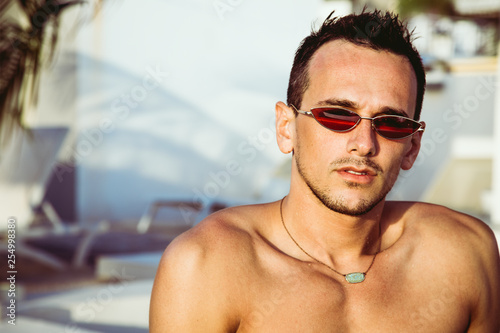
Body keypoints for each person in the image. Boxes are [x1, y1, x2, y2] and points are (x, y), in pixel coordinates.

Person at [149, 10, 500, 332]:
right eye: (337, 115)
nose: (364, 143)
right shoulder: (207, 266)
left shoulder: (463, 254)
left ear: (412, 146)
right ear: (286, 128)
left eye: (390, 122)